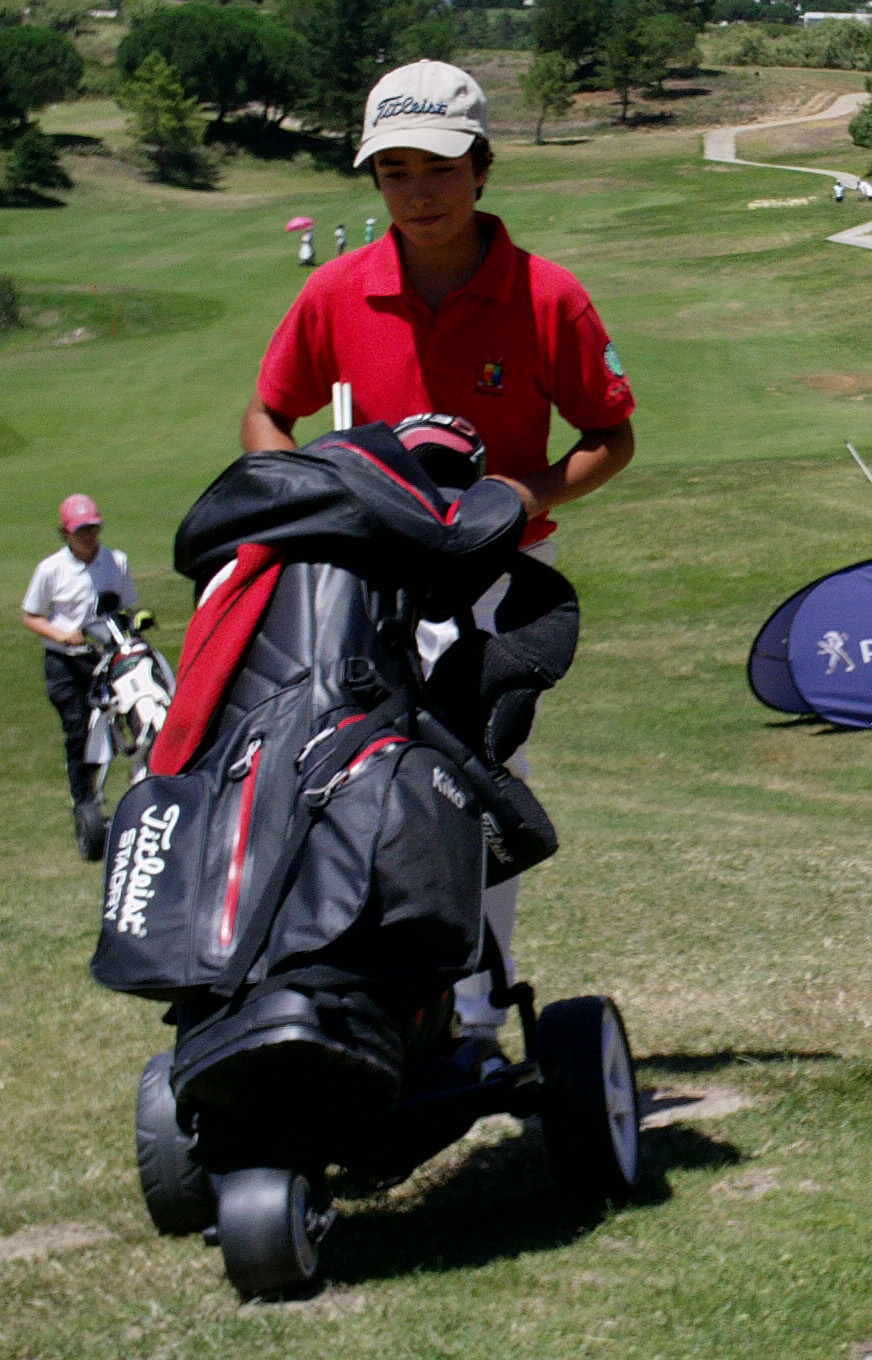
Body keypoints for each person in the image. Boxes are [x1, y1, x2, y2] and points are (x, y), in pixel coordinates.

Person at [239, 59, 635, 1050]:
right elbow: (265, 412)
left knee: (472, 786)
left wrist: (521, 495)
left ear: (484, 169)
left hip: (491, 585)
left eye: (440, 167)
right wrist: (309, 497)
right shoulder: (338, 292)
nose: (418, 192)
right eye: (394, 171)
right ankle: (364, 987)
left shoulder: (546, 297)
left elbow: (608, 435)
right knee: (346, 771)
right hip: (364, 580)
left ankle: (469, 1005)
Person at [22, 495, 138, 824]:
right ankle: (84, 804)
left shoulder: (116, 561)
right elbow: (31, 616)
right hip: (66, 663)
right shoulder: (50, 569)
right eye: (81, 531)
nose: (88, 536)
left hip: (108, 657)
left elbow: (127, 606)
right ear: (66, 533)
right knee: (79, 731)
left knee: (134, 722)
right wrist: (61, 634)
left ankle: (141, 788)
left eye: (93, 529)